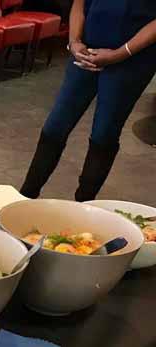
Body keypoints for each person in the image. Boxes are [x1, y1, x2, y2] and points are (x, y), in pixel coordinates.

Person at [20, 0, 156, 201]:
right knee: (55, 126)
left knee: (104, 133)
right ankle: (25, 197)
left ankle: (84, 205)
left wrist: (120, 54)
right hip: (86, 50)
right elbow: (79, 4)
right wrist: (74, 41)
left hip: (132, 60)